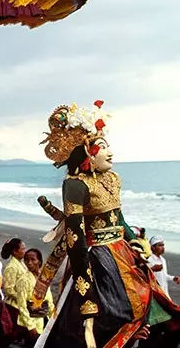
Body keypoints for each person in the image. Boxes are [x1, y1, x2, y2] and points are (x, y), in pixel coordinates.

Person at [34, 101, 180, 348]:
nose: (110, 152)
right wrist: (85, 294)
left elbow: (118, 218)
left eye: (108, 145)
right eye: (103, 147)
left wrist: (135, 241)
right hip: (97, 258)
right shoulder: (75, 184)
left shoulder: (113, 178)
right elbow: (75, 239)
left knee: (153, 306)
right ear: (87, 153)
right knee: (108, 317)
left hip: (122, 251)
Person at [13, 249, 53, 347]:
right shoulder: (24, 280)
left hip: (45, 319)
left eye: (33, 259)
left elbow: (49, 300)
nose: (29, 263)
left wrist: (53, 318)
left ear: (39, 261)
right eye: (26, 260)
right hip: (32, 322)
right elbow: (21, 305)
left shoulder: (44, 277)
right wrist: (30, 326)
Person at [1, 237, 27, 341]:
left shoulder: (22, 263)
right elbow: (8, 288)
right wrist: (22, 297)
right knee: (13, 334)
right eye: (23, 249)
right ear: (15, 251)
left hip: (22, 304)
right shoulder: (11, 267)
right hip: (14, 306)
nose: (25, 251)